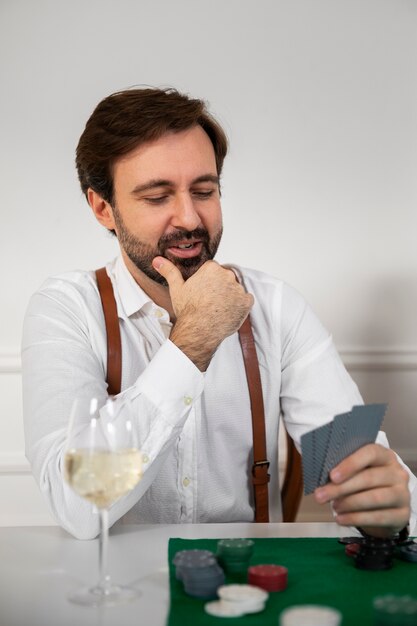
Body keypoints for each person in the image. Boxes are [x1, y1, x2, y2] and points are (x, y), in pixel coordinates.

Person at [22, 87, 416, 540]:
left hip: (246, 592)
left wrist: (382, 498)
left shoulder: (277, 306)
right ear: (103, 208)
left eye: (204, 190)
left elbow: (352, 459)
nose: (190, 218)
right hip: (114, 596)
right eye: (157, 197)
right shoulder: (64, 310)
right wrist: (194, 340)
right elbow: (77, 505)